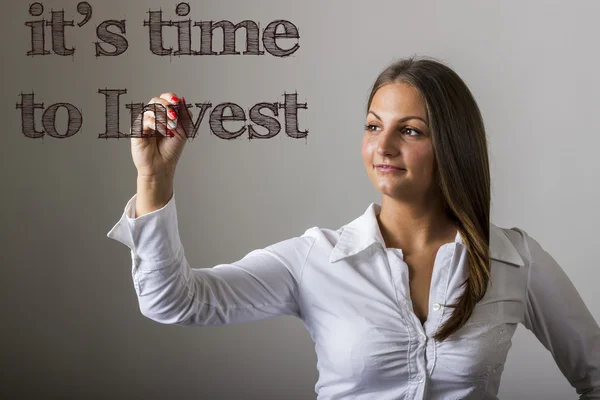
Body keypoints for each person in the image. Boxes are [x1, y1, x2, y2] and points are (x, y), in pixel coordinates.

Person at [107, 56, 600, 399]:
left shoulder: (514, 260)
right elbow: (173, 302)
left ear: (453, 145)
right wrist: (155, 177)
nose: (382, 146)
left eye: (409, 130)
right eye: (372, 125)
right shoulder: (315, 260)